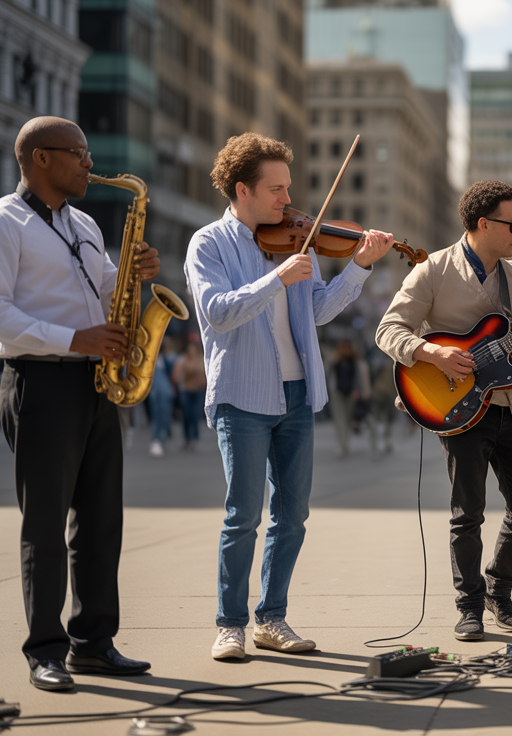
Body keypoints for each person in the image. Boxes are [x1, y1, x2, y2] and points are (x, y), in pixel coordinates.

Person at [185, 132, 395, 661]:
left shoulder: (296, 238)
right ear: (242, 190)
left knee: (292, 515)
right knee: (243, 515)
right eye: (276, 190)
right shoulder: (208, 243)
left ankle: (271, 618)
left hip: (298, 392)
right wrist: (277, 277)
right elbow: (218, 312)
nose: (287, 201)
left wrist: (360, 266)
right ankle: (229, 624)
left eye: (288, 189)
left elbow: (318, 310)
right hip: (242, 394)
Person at [0, 115, 158, 690]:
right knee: (45, 525)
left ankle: (94, 642)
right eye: (77, 153)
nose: (89, 163)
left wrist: (136, 272)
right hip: (39, 382)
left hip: (95, 383)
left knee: (101, 522)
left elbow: (105, 283)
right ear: (39, 158)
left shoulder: (83, 224)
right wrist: (73, 339)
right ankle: (44, 651)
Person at [376, 180, 512, 641]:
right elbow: (389, 330)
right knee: (466, 514)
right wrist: (433, 354)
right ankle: (469, 606)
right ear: (483, 224)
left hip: (510, 406)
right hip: (455, 409)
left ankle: (498, 587)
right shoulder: (432, 270)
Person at [327, 339, 370, 458]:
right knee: (341, 420)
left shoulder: (353, 362)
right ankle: (343, 444)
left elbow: (357, 378)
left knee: (345, 420)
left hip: (350, 394)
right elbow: (330, 377)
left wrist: (358, 390)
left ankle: (343, 444)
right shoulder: (335, 361)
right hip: (338, 394)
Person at [172, 340, 207, 451]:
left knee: (195, 415)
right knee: (186, 415)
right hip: (186, 390)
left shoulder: (201, 359)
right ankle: (187, 438)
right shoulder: (182, 360)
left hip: (198, 390)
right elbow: (177, 374)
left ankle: (194, 439)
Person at [146, 343, 176, 457]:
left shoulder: (164, 360)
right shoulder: (151, 361)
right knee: (158, 417)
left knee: (163, 417)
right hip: (157, 393)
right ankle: (156, 440)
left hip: (164, 393)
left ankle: (160, 438)